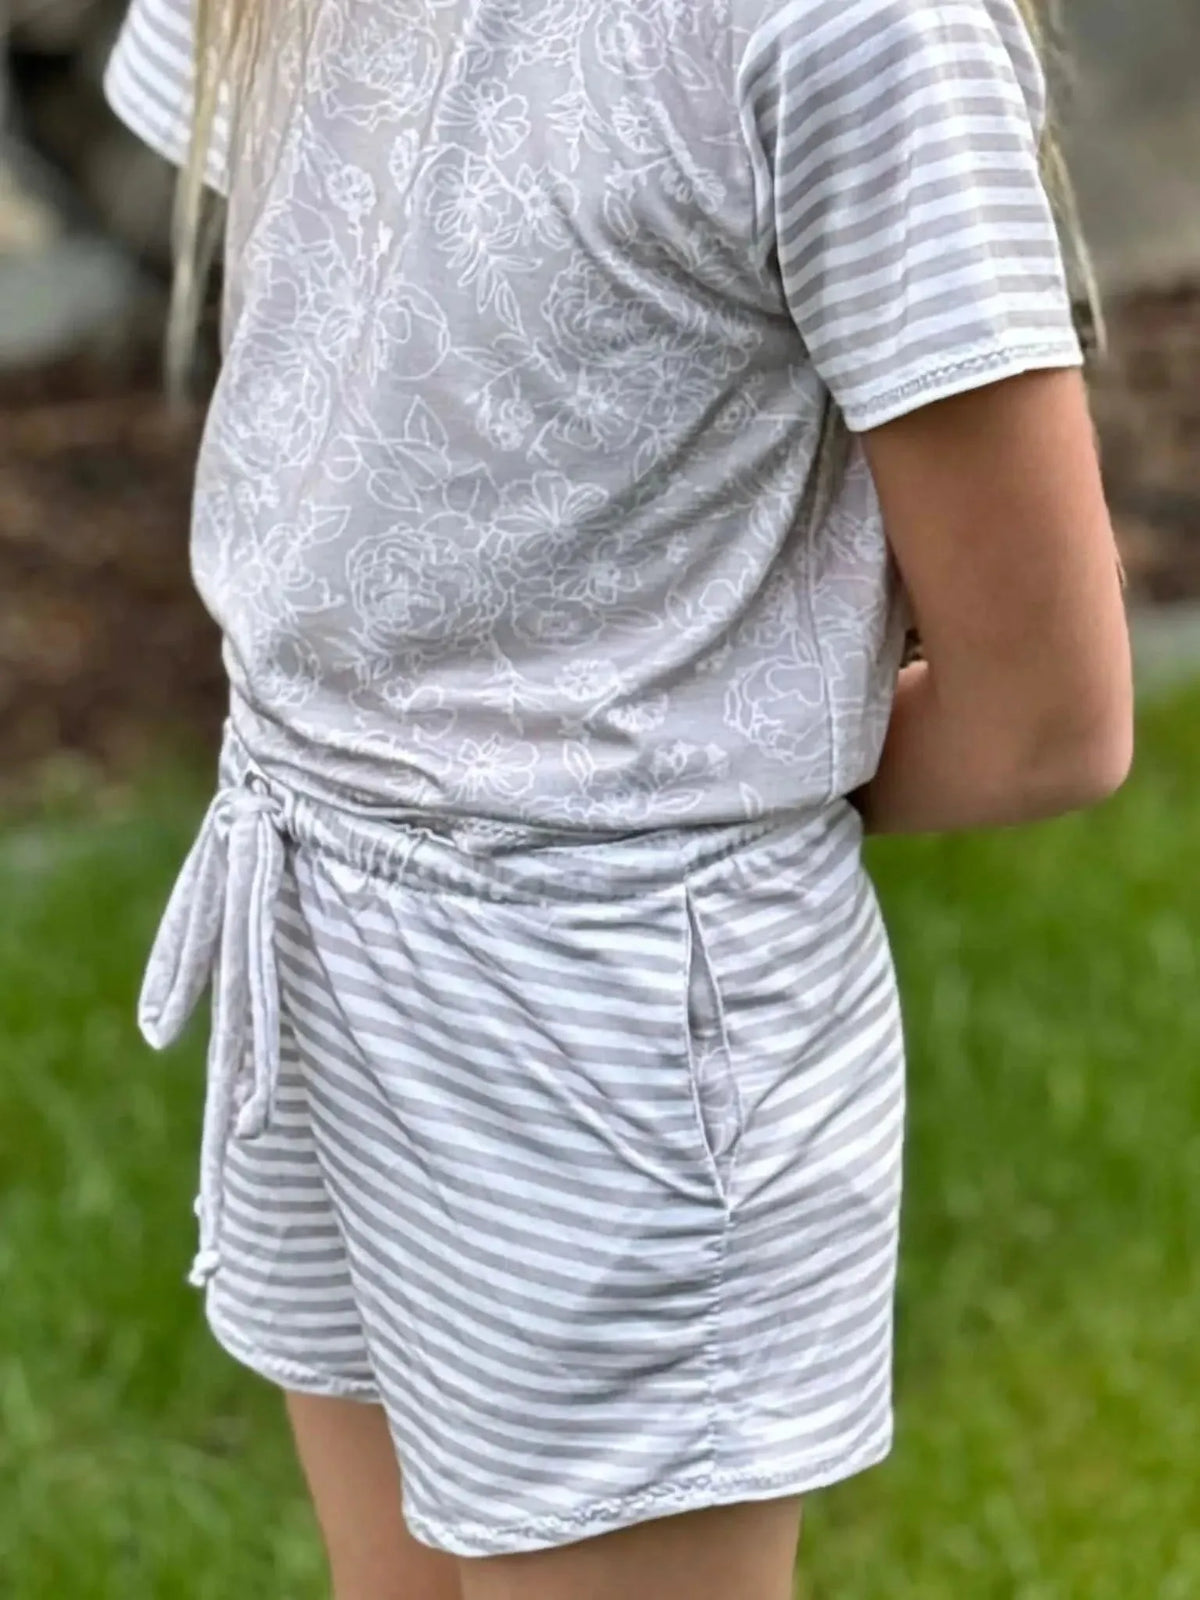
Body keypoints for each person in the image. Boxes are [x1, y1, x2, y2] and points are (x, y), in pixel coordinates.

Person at [102, 0, 1133, 1594]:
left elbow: (1045, 717)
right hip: (316, 891)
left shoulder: (853, 29)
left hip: (613, 1020)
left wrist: (631, 809)